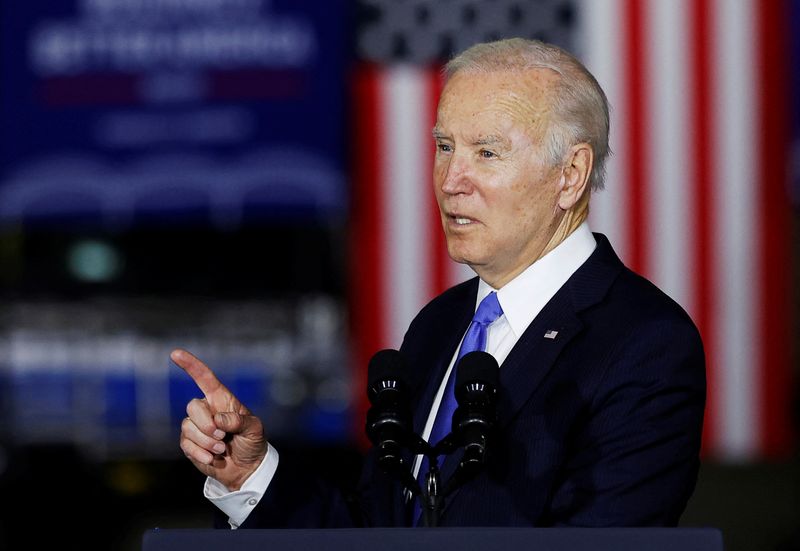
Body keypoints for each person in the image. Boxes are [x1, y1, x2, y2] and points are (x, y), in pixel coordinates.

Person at [173, 37, 706, 528]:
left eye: (486, 153)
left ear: (570, 174)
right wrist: (250, 475)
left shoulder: (644, 342)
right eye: (445, 146)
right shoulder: (439, 324)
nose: (451, 182)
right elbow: (379, 534)